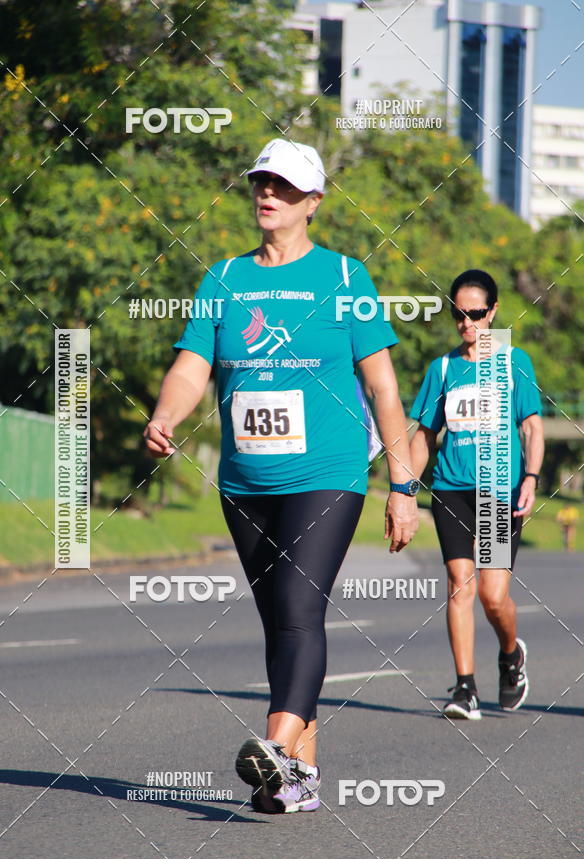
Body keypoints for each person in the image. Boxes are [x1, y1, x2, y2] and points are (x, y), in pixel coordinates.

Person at [143, 138, 419, 812]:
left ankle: (272, 750)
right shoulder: (225, 279)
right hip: (244, 481)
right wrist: (165, 415)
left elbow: (383, 389)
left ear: (314, 203)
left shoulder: (346, 279)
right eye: (262, 183)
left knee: (299, 611)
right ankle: (299, 778)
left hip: (328, 471)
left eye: (286, 188)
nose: (268, 195)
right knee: (282, 625)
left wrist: (403, 485)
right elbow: (191, 366)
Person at [409, 270, 544, 720]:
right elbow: (425, 435)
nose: (467, 323)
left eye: (476, 314)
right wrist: (405, 488)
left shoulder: (512, 362)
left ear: (494, 312)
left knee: (492, 595)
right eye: (458, 314)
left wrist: (531, 477)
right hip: (450, 489)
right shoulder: (442, 369)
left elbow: (531, 427)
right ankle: (465, 687)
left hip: (497, 490)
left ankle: (510, 655)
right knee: (458, 587)